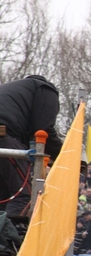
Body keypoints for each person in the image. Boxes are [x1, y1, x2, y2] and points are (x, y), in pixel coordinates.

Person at [0, 76, 63, 216]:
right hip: (4, 135)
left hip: (6, 132)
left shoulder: (15, 92)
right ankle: (9, 234)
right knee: (22, 195)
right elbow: (43, 129)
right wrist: (62, 154)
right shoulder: (46, 90)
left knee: (4, 194)